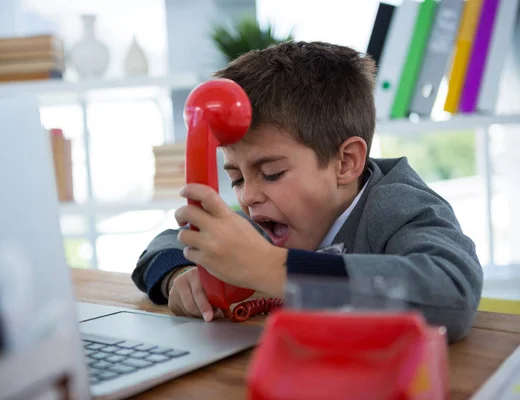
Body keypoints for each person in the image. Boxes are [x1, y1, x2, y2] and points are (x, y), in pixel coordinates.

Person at [131, 41, 483, 342]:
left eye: (271, 173)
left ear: (345, 163)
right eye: (237, 179)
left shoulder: (399, 208)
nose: (248, 196)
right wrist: (179, 276)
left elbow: (451, 292)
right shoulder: (277, 217)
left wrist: (271, 267)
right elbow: (166, 243)